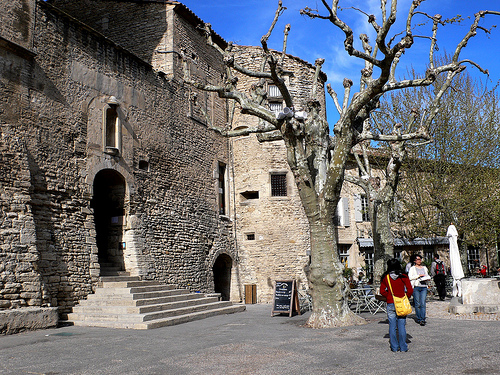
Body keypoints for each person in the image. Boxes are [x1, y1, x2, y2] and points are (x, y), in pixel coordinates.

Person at [380, 258, 413, 352]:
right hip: (401, 301)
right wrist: (406, 296)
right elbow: (410, 290)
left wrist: (389, 296)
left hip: (391, 302)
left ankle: (394, 347)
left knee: (392, 325)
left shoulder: (386, 277)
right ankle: (403, 347)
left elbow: (382, 291)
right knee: (401, 325)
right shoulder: (403, 276)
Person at [408, 255, 430, 326]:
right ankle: (419, 317)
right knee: (417, 304)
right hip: (416, 286)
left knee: (423, 303)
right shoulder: (412, 268)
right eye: (418, 259)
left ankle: (422, 319)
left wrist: (427, 278)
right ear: (415, 261)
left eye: (420, 259)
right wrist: (418, 276)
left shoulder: (424, 268)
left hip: (423, 286)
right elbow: (410, 277)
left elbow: (427, 275)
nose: (419, 261)